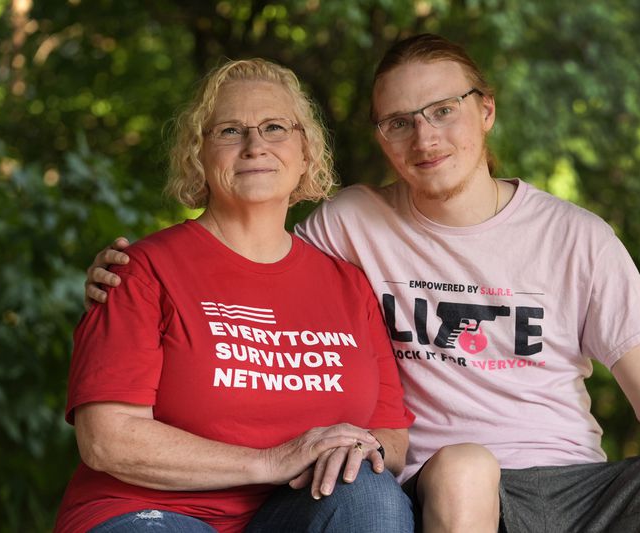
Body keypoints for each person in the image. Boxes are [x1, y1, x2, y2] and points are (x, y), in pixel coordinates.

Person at [84, 34, 640, 533]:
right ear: (380, 139)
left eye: (443, 110)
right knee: (461, 465)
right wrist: (124, 272)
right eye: (399, 122)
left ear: (485, 111)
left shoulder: (576, 235)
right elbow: (246, 252)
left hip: (579, 482)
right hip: (454, 485)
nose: (425, 136)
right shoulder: (352, 223)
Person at [56, 58, 416, 533]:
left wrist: (360, 447)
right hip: (151, 513)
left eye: (274, 127)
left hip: (293, 511)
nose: (254, 146)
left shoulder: (349, 286)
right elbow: (106, 440)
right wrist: (270, 461)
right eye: (229, 131)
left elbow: (391, 435)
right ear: (197, 156)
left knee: (369, 491)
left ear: (305, 153)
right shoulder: (142, 272)